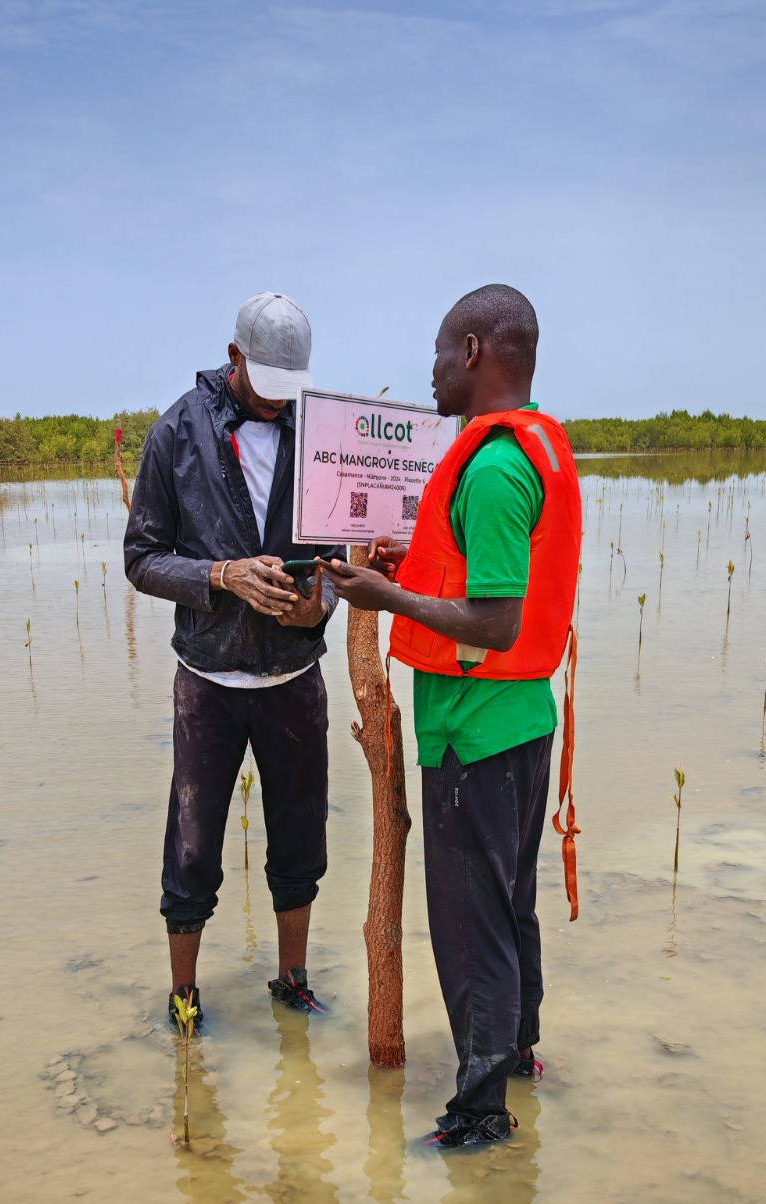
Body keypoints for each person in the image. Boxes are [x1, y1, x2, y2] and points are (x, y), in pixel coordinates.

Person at [328, 283, 582, 1147]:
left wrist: (386, 594)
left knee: (472, 925)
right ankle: (516, 1056)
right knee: (508, 904)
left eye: (439, 353)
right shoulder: (520, 453)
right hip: (516, 723)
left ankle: (480, 1115)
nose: (431, 373)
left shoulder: (500, 465)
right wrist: (408, 570)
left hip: (478, 730)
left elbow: (497, 619)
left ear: (474, 352)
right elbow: (475, 577)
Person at [124, 291, 340, 1031]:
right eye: (268, 389)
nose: (280, 406)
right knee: (191, 847)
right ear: (235, 359)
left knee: (301, 838)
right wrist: (222, 576)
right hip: (208, 682)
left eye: (293, 392)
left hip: (294, 678)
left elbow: (337, 559)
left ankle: (292, 982)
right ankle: (184, 999)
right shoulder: (177, 433)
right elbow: (142, 559)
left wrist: (321, 606)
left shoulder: (320, 433)